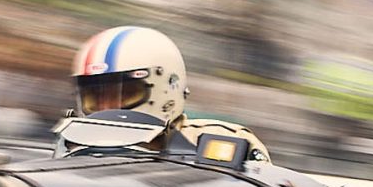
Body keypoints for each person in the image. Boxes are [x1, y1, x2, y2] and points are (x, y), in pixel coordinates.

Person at [63, 25, 271, 161]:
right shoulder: (68, 148)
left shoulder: (221, 142)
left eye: (125, 93)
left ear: (166, 86)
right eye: (96, 97)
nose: (106, 108)